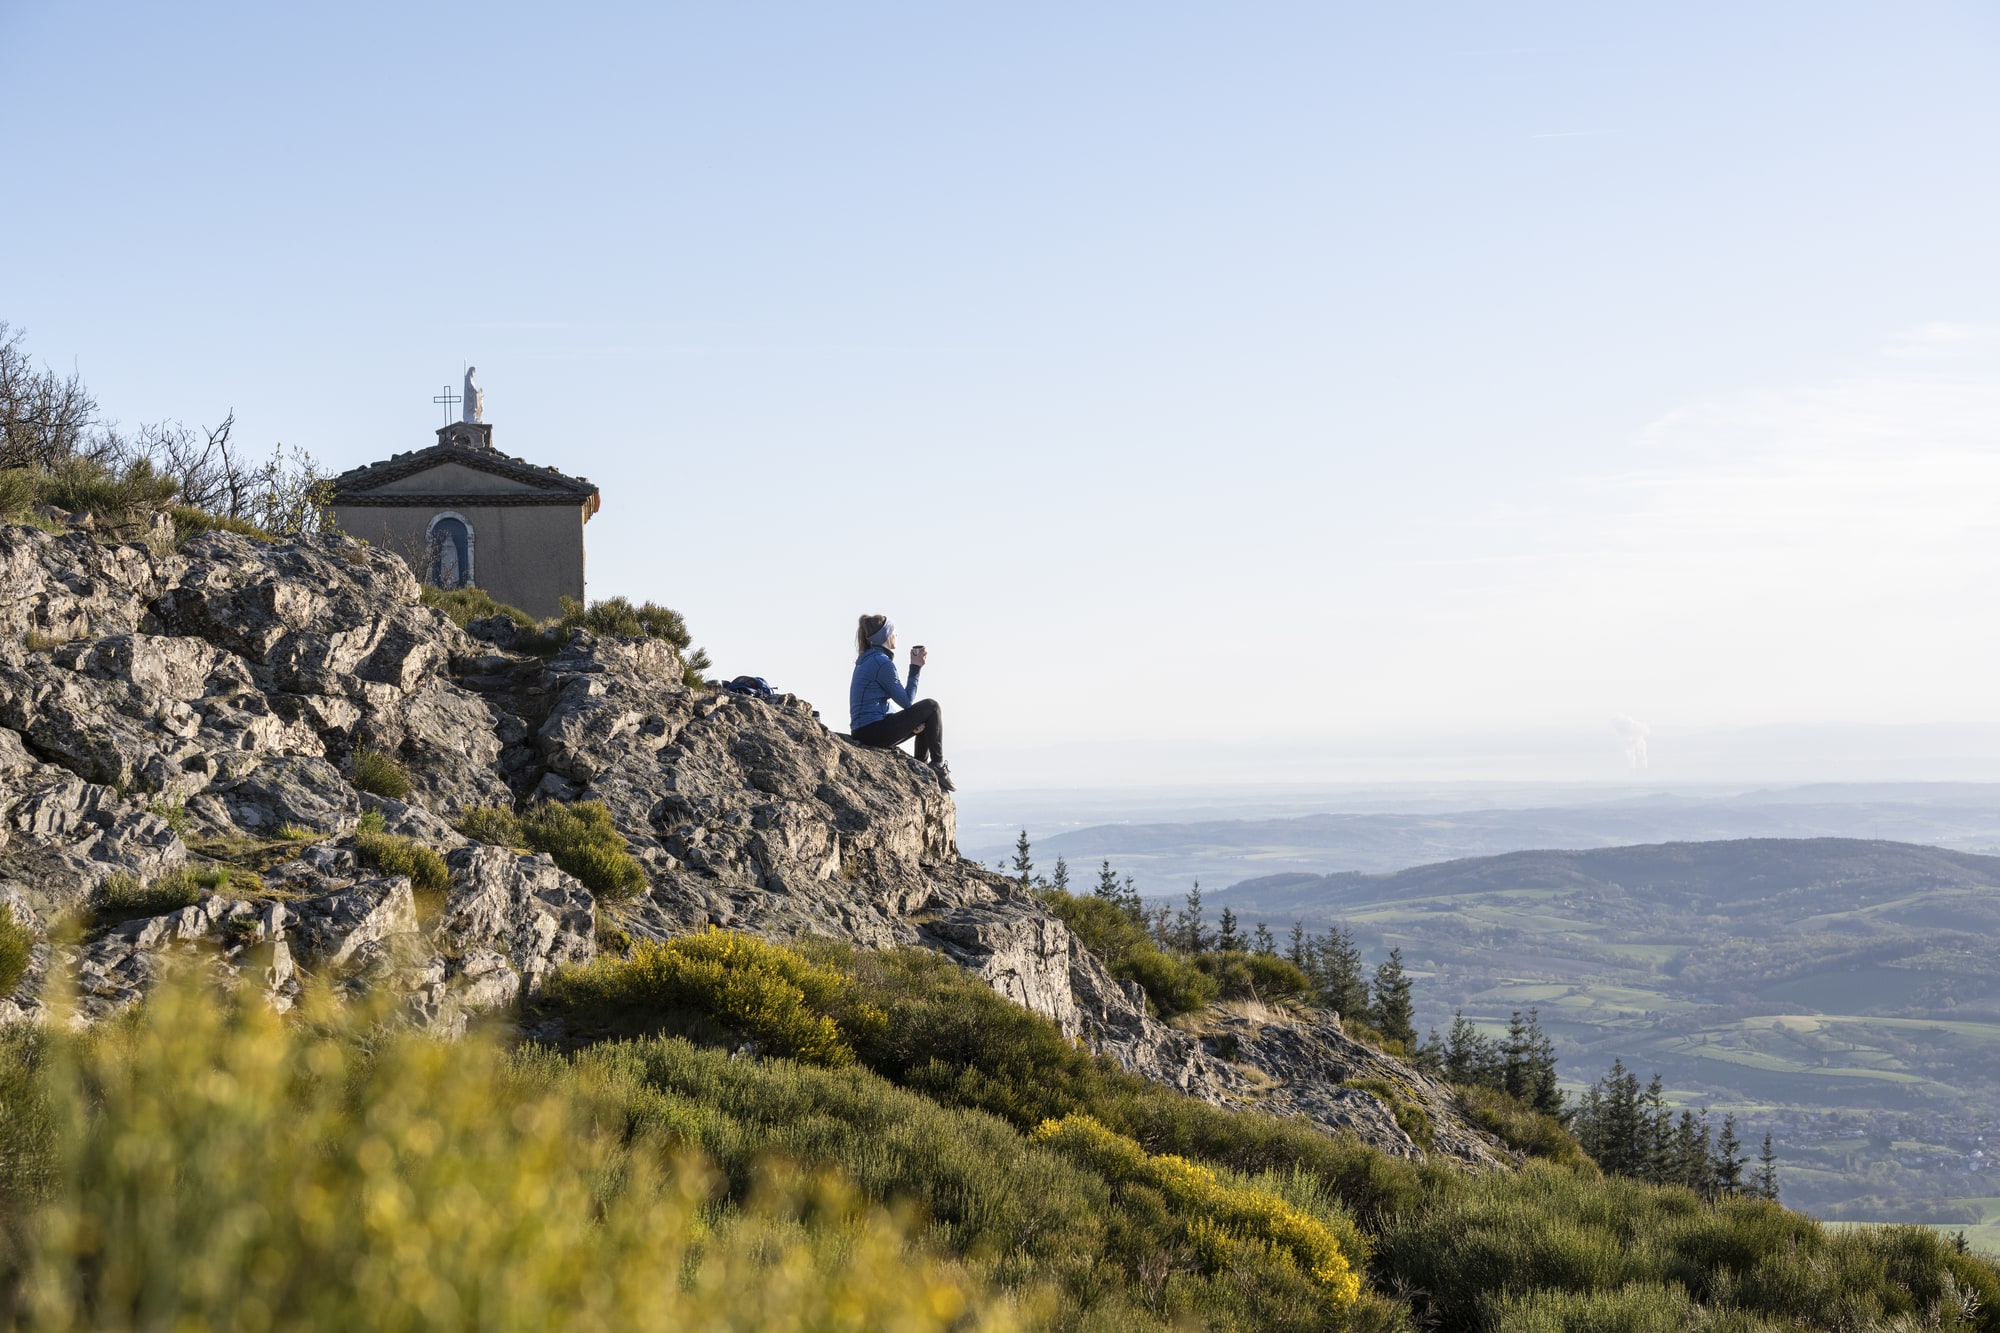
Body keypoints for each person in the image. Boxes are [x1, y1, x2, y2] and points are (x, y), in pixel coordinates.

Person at [848, 613, 952, 791]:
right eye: (895, 632)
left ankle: (921, 767)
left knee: (924, 718)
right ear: (887, 636)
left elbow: (879, 704)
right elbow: (906, 701)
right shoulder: (881, 663)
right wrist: (915, 667)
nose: (897, 635)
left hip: (864, 730)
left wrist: (911, 724)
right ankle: (937, 765)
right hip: (872, 731)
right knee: (931, 707)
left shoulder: (868, 659)